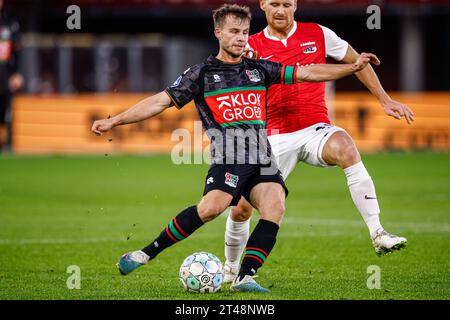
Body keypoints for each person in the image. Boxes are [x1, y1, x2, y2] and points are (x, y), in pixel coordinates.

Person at [91, 4, 378, 293]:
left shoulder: (259, 68)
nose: (241, 38)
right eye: (233, 32)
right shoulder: (201, 73)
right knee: (211, 208)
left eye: (243, 32)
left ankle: (245, 277)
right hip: (229, 157)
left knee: (275, 205)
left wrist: (351, 67)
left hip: (263, 157)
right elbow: (160, 101)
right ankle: (144, 253)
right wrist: (115, 120)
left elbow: (307, 72)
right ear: (218, 33)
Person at [223, 0, 413, 283]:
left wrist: (384, 99)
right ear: (263, 4)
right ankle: (230, 269)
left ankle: (378, 232)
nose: (280, 10)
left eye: (286, 4)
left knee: (346, 147)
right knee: (242, 208)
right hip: (272, 137)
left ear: (295, 5)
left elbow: (356, 62)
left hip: (315, 128)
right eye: (274, 3)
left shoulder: (319, 34)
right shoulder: (250, 44)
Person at [0, 0, 24, 153]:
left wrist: (16, 73)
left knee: (4, 112)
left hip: (4, 76)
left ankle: (4, 145)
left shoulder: (9, 23)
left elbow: (17, 51)